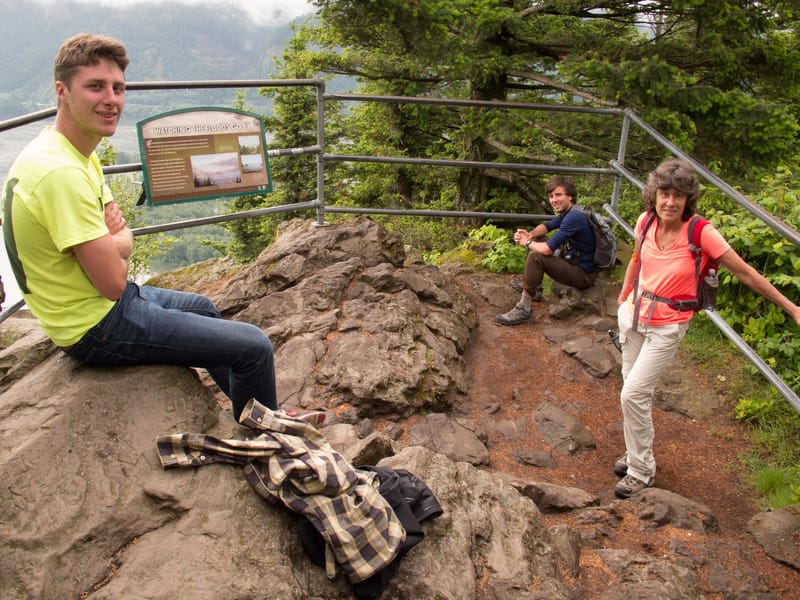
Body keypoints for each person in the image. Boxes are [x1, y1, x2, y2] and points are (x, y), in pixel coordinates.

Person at [1, 33, 278, 423]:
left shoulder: (75, 150)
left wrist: (115, 239)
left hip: (99, 304)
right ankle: (274, 450)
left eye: (117, 88)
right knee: (254, 347)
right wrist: (118, 241)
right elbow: (113, 279)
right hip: (95, 324)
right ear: (62, 91)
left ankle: (243, 419)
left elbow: (118, 232)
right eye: (95, 86)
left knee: (204, 307)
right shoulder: (60, 172)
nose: (111, 99)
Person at [613, 157, 800, 498]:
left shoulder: (701, 233)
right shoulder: (645, 222)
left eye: (678, 196)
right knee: (631, 390)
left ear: (688, 200)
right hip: (634, 315)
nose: (670, 202)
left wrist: (791, 308)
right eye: (664, 193)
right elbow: (637, 262)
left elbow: (745, 272)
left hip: (668, 325)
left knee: (633, 393)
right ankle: (634, 452)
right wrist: (623, 298)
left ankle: (641, 470)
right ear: (654, 194)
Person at [495, 174, 599, 325]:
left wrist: (526, 242)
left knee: (535, 256)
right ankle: (535, 289)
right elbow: (546, 227)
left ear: (570, 196)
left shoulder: (574, 217)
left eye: (558, 195)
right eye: (551, 196)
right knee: (536, 241)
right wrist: (530, 234)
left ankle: (524, 309)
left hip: (583, 275)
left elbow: (547, 250)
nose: (553, 200)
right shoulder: (570, 212)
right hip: (573, 262)